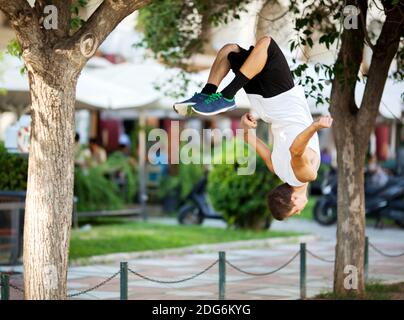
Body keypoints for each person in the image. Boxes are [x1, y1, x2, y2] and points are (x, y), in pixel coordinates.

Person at [173, 36, 333, 220]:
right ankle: (206, 94)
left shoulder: (306, 176)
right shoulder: (277, 169)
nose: (300, 210)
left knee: (267, 44)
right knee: (230, 50)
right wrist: (244, 126)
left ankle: (226, 95)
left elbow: (296, 150)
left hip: (280, 97)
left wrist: (315, 127)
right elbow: (248, 138)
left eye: (296, 210)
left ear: (294, 200)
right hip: (263, 106)